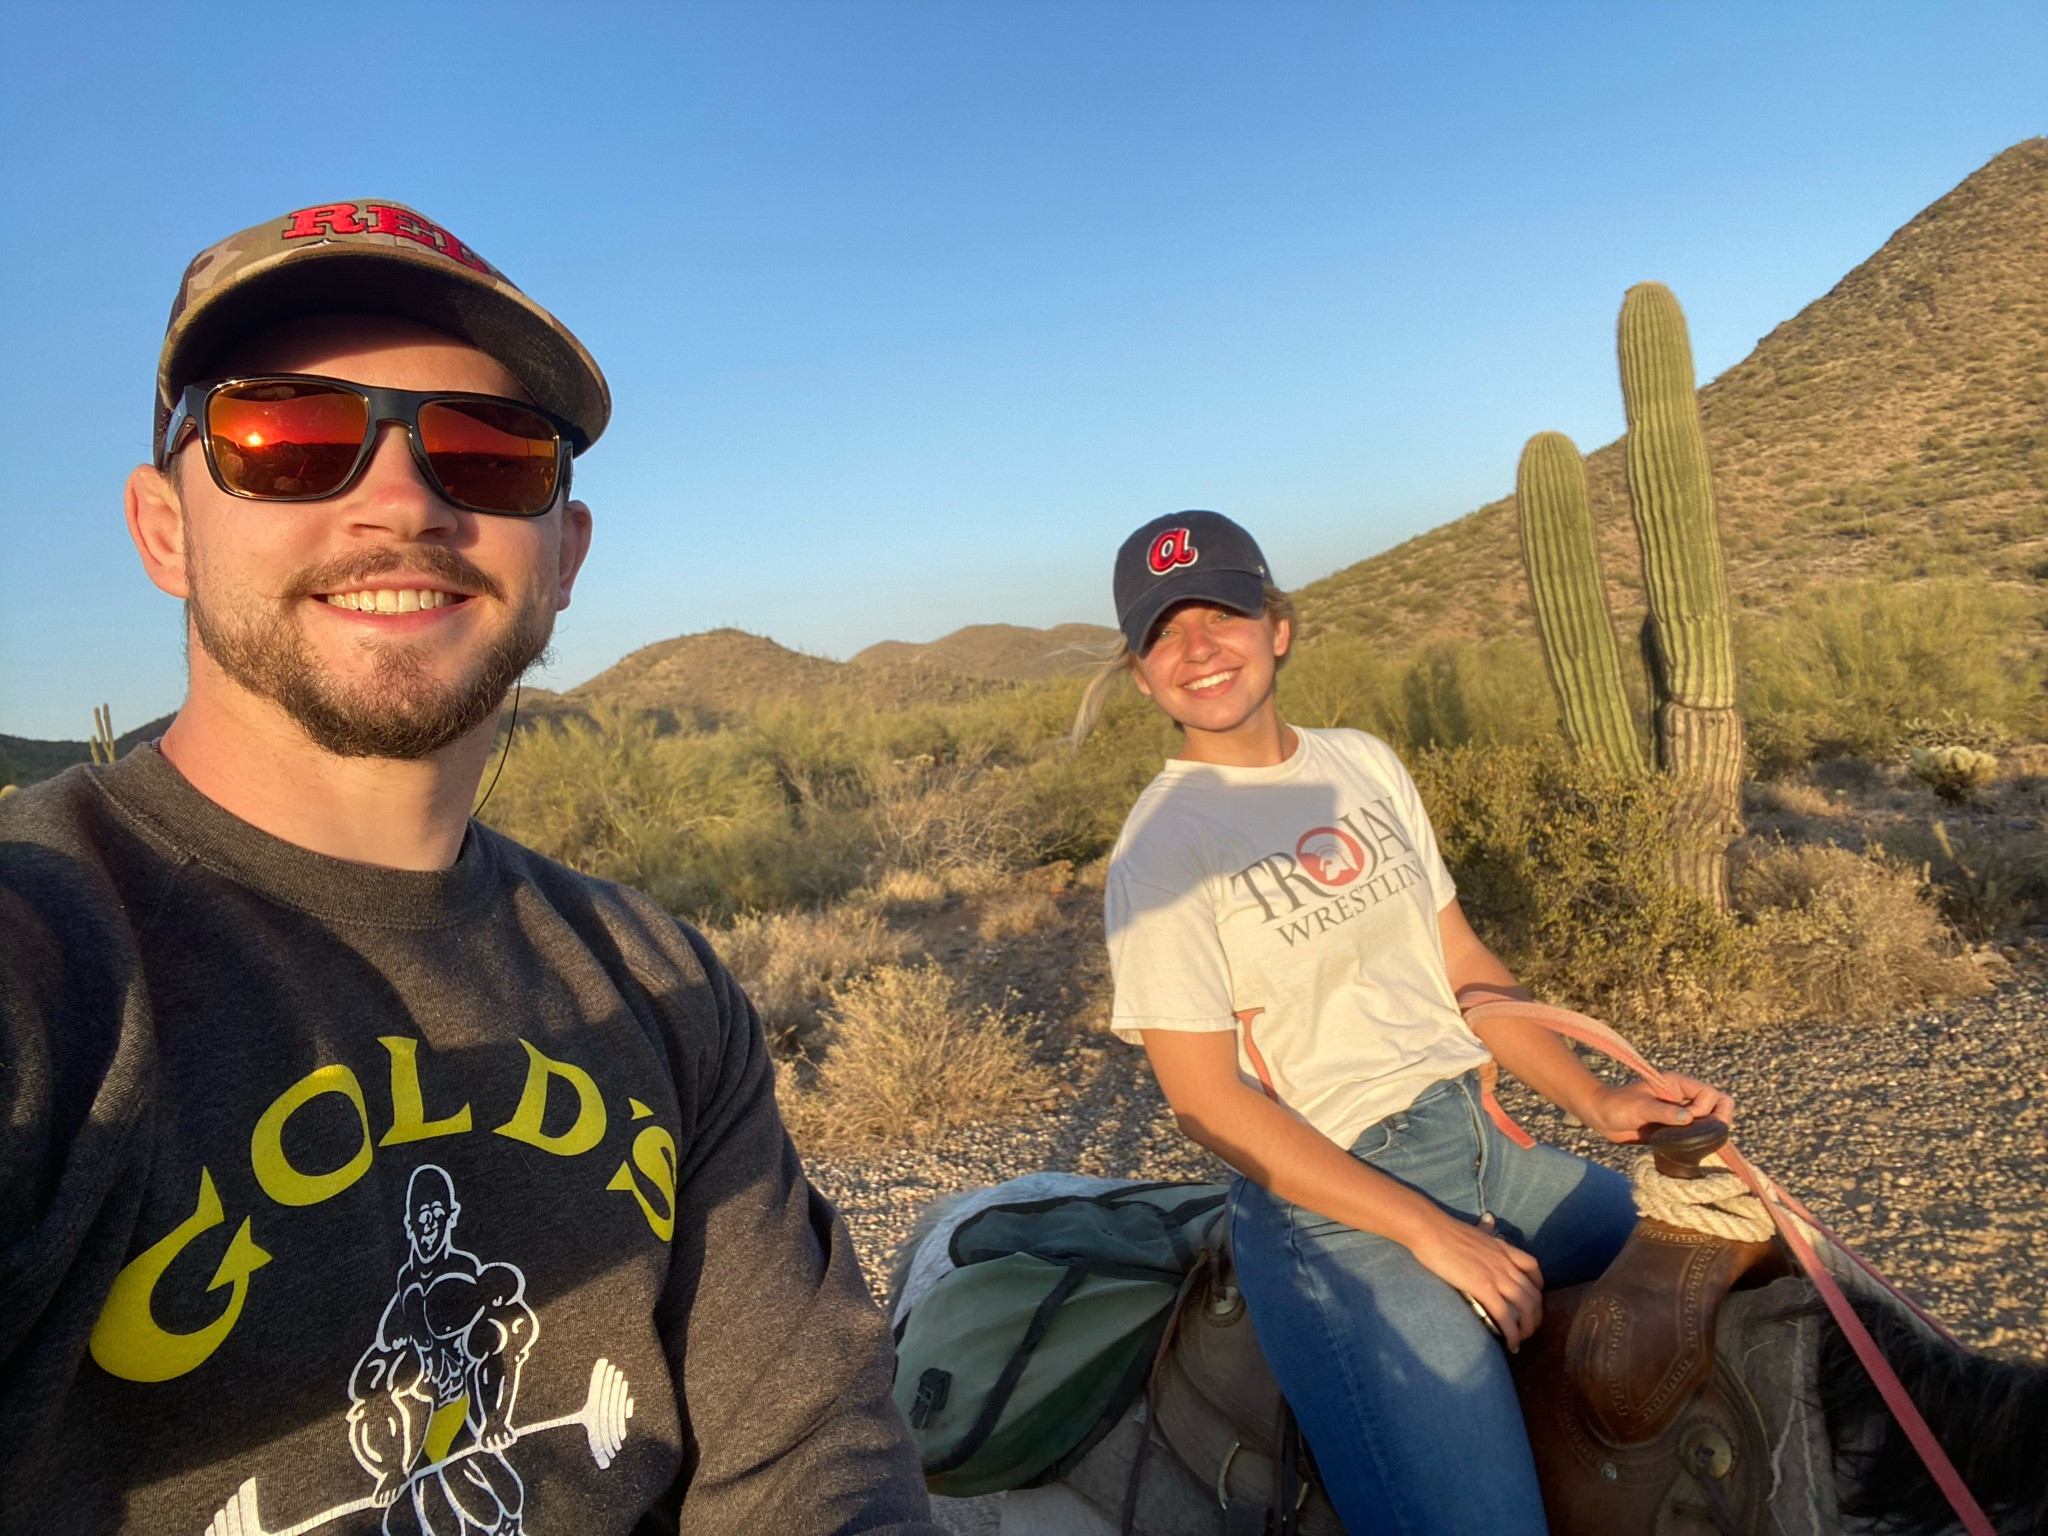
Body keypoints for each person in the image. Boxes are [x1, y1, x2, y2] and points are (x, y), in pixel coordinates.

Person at [0, 200, 938, 1535]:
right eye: (289, 436)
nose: (404, 501)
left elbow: (810, 1460)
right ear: (165, 531)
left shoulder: (660, 984)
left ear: (563, 556)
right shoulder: (44, 962)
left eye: (491, 454)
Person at [1082, 510, 1736, 1535]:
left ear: (1278, 626)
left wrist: (1594, 1094)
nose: (1197, 647)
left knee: (1743, 1278)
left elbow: (1464, 968)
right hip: (1332, 1209)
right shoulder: (1163, 848)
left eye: (1222, 612)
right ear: (1139, 672)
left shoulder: (1360, 763)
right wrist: (1430, 1234)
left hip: (1486, 1150)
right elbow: (1206, 1104)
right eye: (1165, 631)